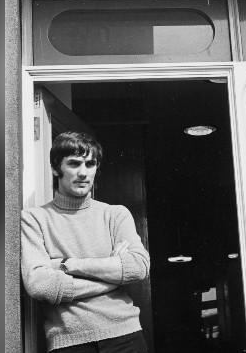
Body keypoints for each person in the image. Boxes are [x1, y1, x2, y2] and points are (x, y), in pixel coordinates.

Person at [21, 131, 151, 352]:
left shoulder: (115, 215)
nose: (83, 173)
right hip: (69, 342)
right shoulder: (34, 219)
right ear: (55, 168)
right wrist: (113, 276)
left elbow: (138, 267)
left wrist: (67, 264)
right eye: (73, 163)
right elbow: (41, 285)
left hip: (125, 335)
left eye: (90, 164)